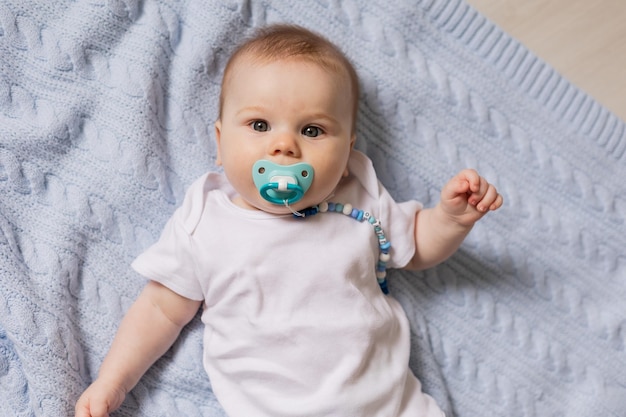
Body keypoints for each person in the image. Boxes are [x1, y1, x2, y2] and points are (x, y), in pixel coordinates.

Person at [75, 24, 503, 417]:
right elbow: (160, 310)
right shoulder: (207, 218)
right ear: (220, 143)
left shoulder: (359, 197)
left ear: (347, 152)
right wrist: (114, 381)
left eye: (313, 131)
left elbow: (415, 244)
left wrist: (450, 218)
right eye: (259, 124)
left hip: (393, 405)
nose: (284, 146)